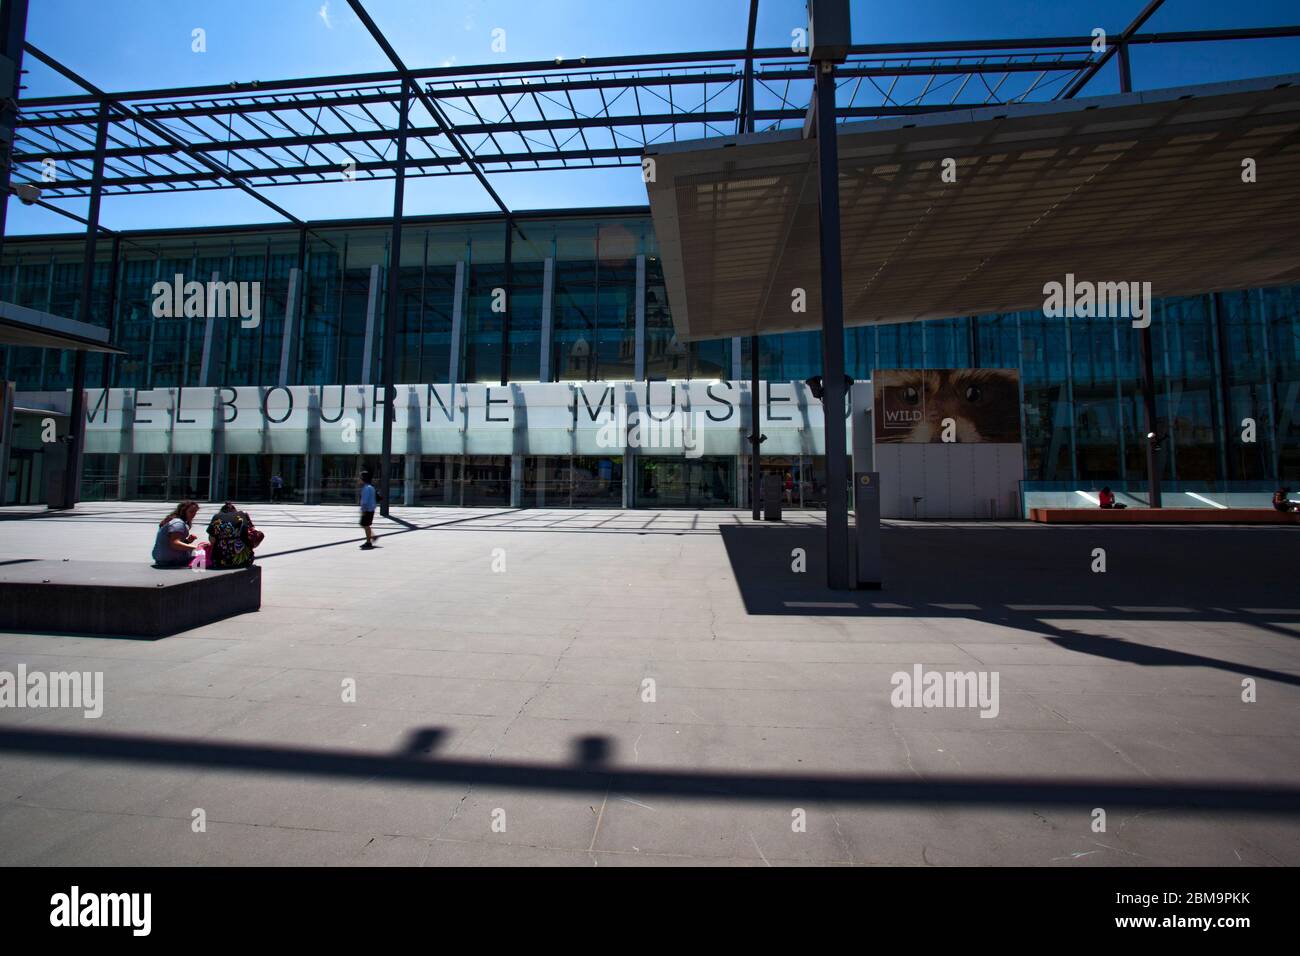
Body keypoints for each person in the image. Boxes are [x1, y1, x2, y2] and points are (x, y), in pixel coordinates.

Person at [206, 501, 262, 569]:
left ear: (221, 511)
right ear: (235, 510)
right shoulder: (243, 514)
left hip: (220, 562)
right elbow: (254, 533)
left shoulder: (217, 517)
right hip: (245, 561)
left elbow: (212, 540)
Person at [152, 500, 201, 567]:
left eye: (195, 512)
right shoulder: (178, 523)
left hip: (161, 558)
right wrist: (197, 548)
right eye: (191, 512)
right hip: (170, 560)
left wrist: (187, 541)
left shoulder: (174, 520)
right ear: (184, 511)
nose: (194, 515)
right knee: (207, 558)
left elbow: (170, 542)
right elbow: (174, 544)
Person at [358, 470, 378, 549]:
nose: (358, 479)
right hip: (371, 509)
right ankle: (372, 537)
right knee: (365, 525)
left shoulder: (366, 488)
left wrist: (363, 510)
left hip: (367, 510)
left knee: (365, 525)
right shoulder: (371, 487)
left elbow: (365, 501)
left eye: (360, 477)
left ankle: (368, 542)